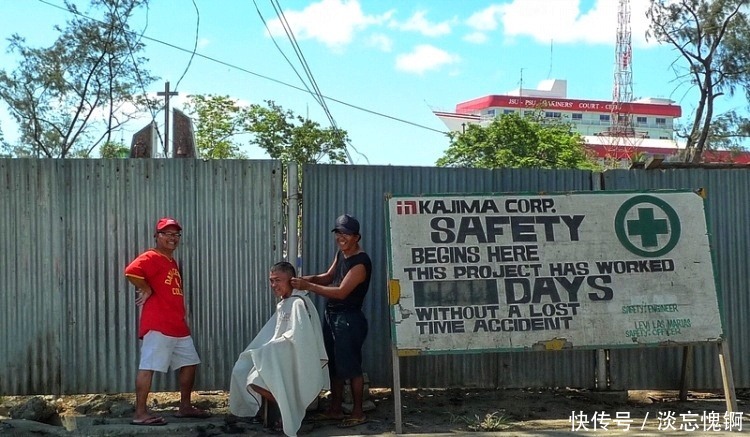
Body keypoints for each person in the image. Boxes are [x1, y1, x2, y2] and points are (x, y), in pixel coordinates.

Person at [124, 217, 210, 426]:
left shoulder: (171, 261)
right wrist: (146, 288)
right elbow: (131, 271)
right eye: (168, 234)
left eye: (176, 235)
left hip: (177, 324)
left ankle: (185, 407)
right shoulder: (152, 256)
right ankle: (140, 413)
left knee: (190, 363)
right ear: (158, 236)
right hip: (158, 323)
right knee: (148, 366)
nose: (173, 238)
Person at [290, 213, 372, 429]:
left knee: (352, 368)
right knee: (334, 365)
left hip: (348, 319)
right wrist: (303, 280)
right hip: (334, 316)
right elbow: (328, 276)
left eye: (346, 234)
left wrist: (308, 287)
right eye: (338, 233)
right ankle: (334, 409)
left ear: (357, 237)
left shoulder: (360, 263)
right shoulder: (342, 254)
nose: (341, 237)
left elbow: (341, 292)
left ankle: (357, 412)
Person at [229, 261, 329, 436]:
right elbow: (276, 334)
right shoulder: (285, 303)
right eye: (271, 280)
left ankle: (290, 409)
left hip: (296, 360)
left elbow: (300, 339)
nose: (273, 285)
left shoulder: (298, 303)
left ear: (291, 281)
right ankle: (283, 408)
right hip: (281, 356)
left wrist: (270, 350)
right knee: (242, 368)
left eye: (278, 280)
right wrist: (266, 349)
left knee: (255, 380)